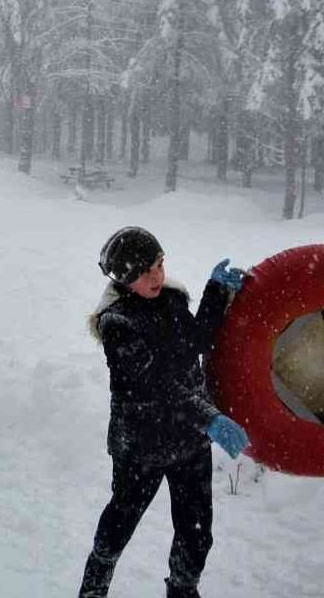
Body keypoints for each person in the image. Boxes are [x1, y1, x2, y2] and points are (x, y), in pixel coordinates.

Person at [77, 227, 250, 598]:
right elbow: (156, 385)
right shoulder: (118, 324)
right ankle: (93, 590)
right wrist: (209, 418)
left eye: (159, 265)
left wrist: (216, 292)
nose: (156, 276)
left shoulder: (170, 299)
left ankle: (183, 590)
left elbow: (196, 340)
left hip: (189, 442)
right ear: (124, 278)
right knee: (120, 523)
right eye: (145, 272)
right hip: (142, 446)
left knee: (197, 530)